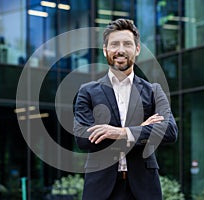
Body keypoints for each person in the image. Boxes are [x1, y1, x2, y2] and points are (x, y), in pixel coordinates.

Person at [73, 18, 178, 200]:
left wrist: (121, 132)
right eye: (114, 44)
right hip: (100, 189)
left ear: (137, 49)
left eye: (127, 44)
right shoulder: (87, 91)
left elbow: (169, 132)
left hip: (144, 188)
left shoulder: (153, 91)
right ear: (105, 50)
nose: (120, 50)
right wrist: (143, 130)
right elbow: (83, 139)